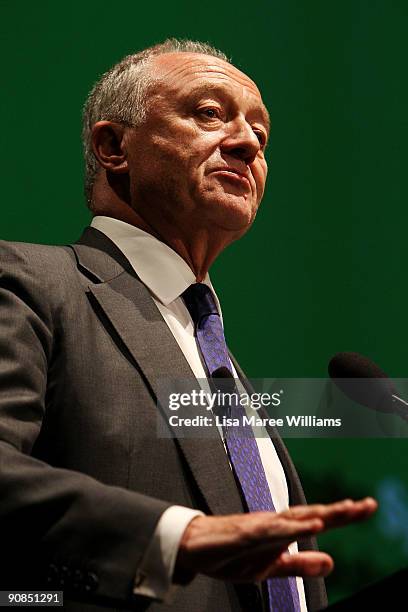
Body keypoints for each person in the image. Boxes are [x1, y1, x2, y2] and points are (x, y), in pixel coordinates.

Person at [0, 39, 376, 612]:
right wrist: (177, 537)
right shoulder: (32, 284)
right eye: (208, 113)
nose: (248, 142)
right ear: (113, 146)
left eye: (261, 134)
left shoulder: (216, 356)